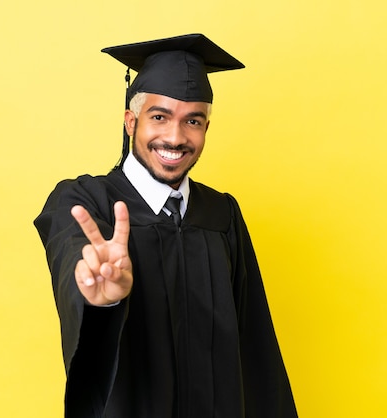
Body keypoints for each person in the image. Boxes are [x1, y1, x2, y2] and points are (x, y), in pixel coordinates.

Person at [34, 33, 297, 418]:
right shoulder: (86, 202)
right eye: (159, 117)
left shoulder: (221, 215)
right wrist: (103, 298)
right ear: (131, 121)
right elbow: (73, 256)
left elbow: (257, 347)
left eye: (193, 120)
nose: (175, 137)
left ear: (206, 127)